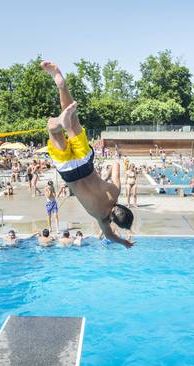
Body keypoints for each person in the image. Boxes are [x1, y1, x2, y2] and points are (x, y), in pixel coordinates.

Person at [41, 60, 133, 248]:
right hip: (68, 172)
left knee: (73, 119)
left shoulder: (114, 192)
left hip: (86, 164)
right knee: (52, 129)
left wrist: (105, 177)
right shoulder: (102, 218)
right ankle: (58, 123)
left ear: (124, 207)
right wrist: (124, 242)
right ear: (115, 221)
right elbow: (110, 237)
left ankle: (61, 83)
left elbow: (115, 165)